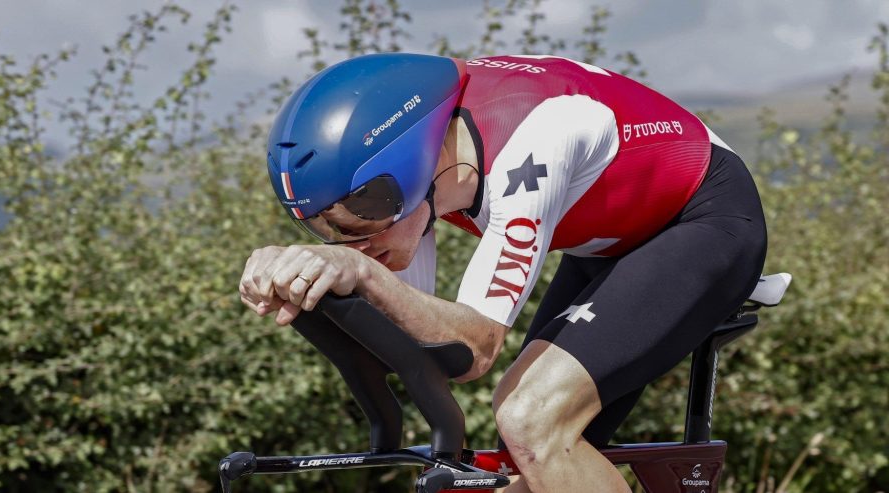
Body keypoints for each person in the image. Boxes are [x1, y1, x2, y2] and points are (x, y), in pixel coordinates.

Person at [239, 53, 766, 492]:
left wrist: (358, 271)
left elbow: (475, 348)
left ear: (401, 176)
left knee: (531, 417)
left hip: (704, 219)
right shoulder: (423, 170)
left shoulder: (531, 144)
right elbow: (429, 351)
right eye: (324, 229)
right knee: (525, 464)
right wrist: (308, 283)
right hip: (608, 242)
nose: (354, 241)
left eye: (358, 220)